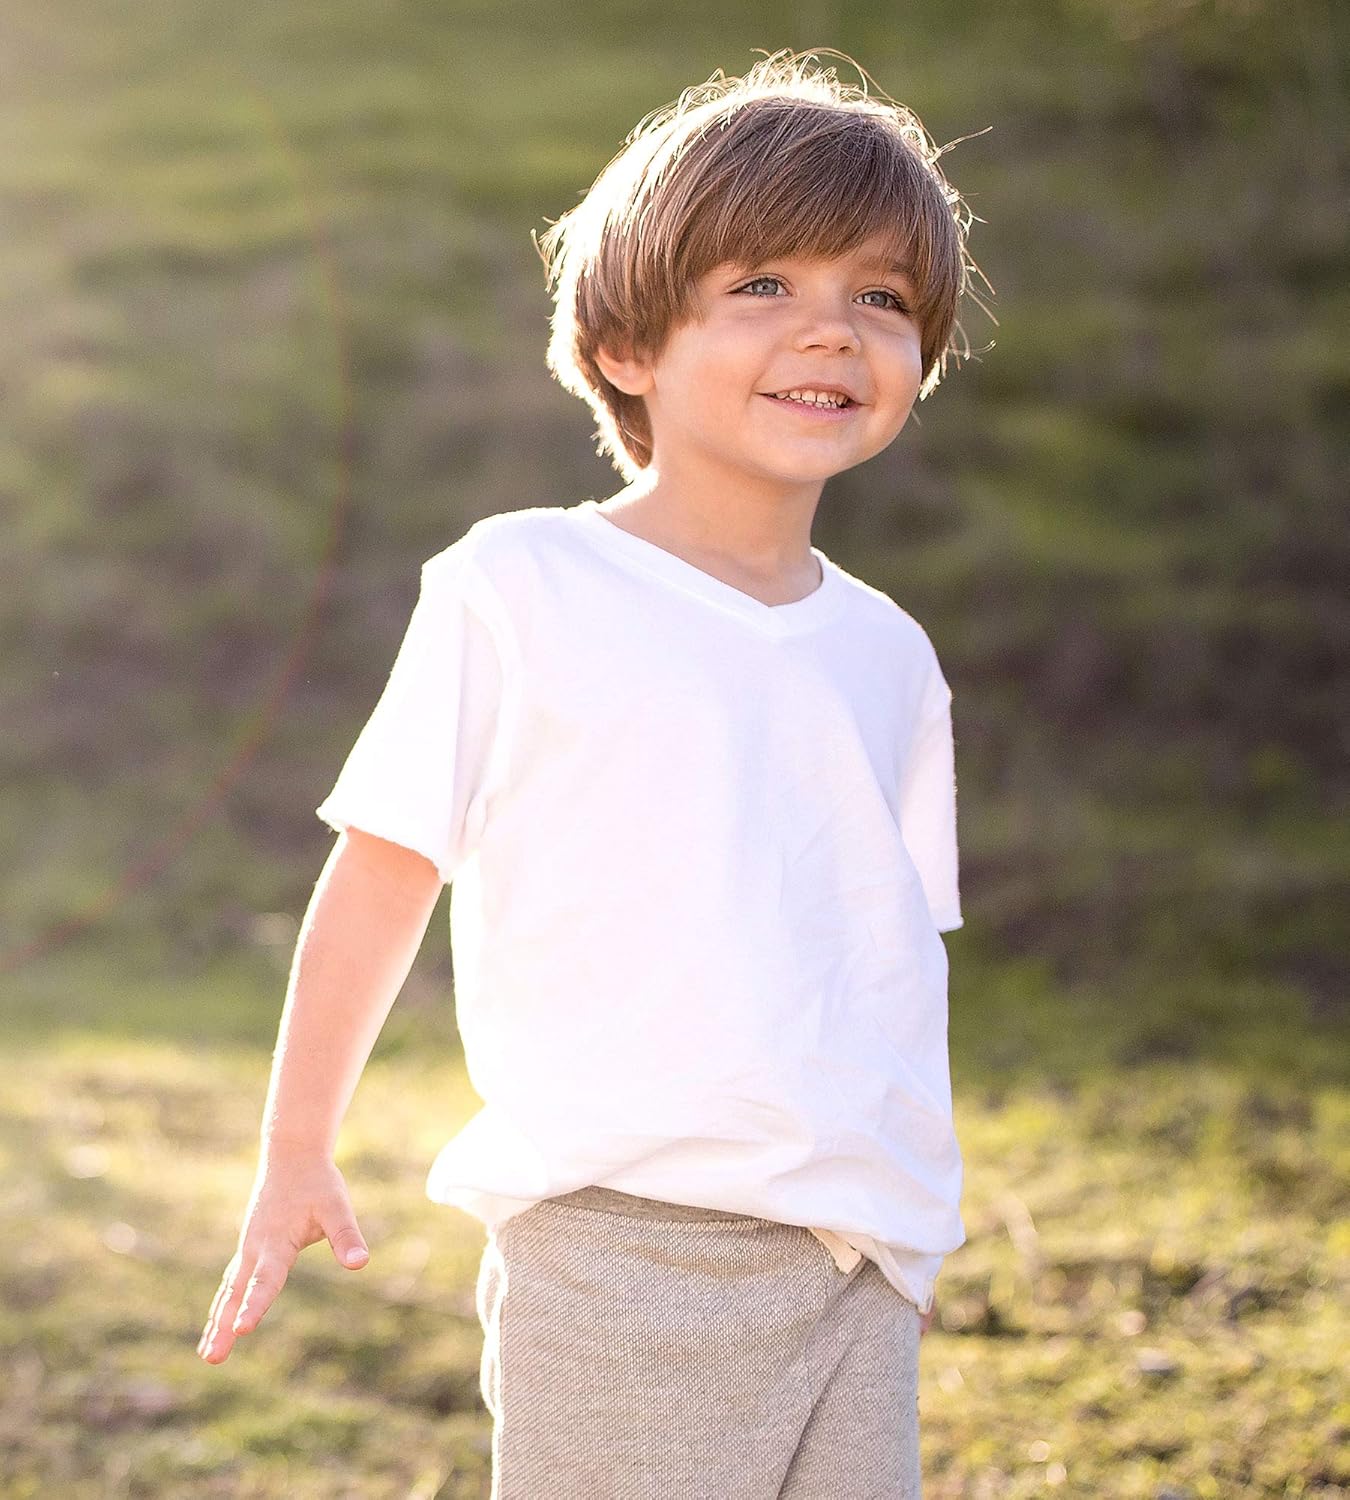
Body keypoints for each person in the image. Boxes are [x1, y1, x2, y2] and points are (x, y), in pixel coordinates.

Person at [197, 45, 992, 1499]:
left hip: (854, 1265)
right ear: (628, 346)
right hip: (620, 1250)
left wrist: (909, 1225)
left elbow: (887, 961)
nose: (830, 331)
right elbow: (385, 866)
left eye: (879, 297)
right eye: (765, 285)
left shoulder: (888, 653)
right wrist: (295, 1146)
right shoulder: (523, 584)